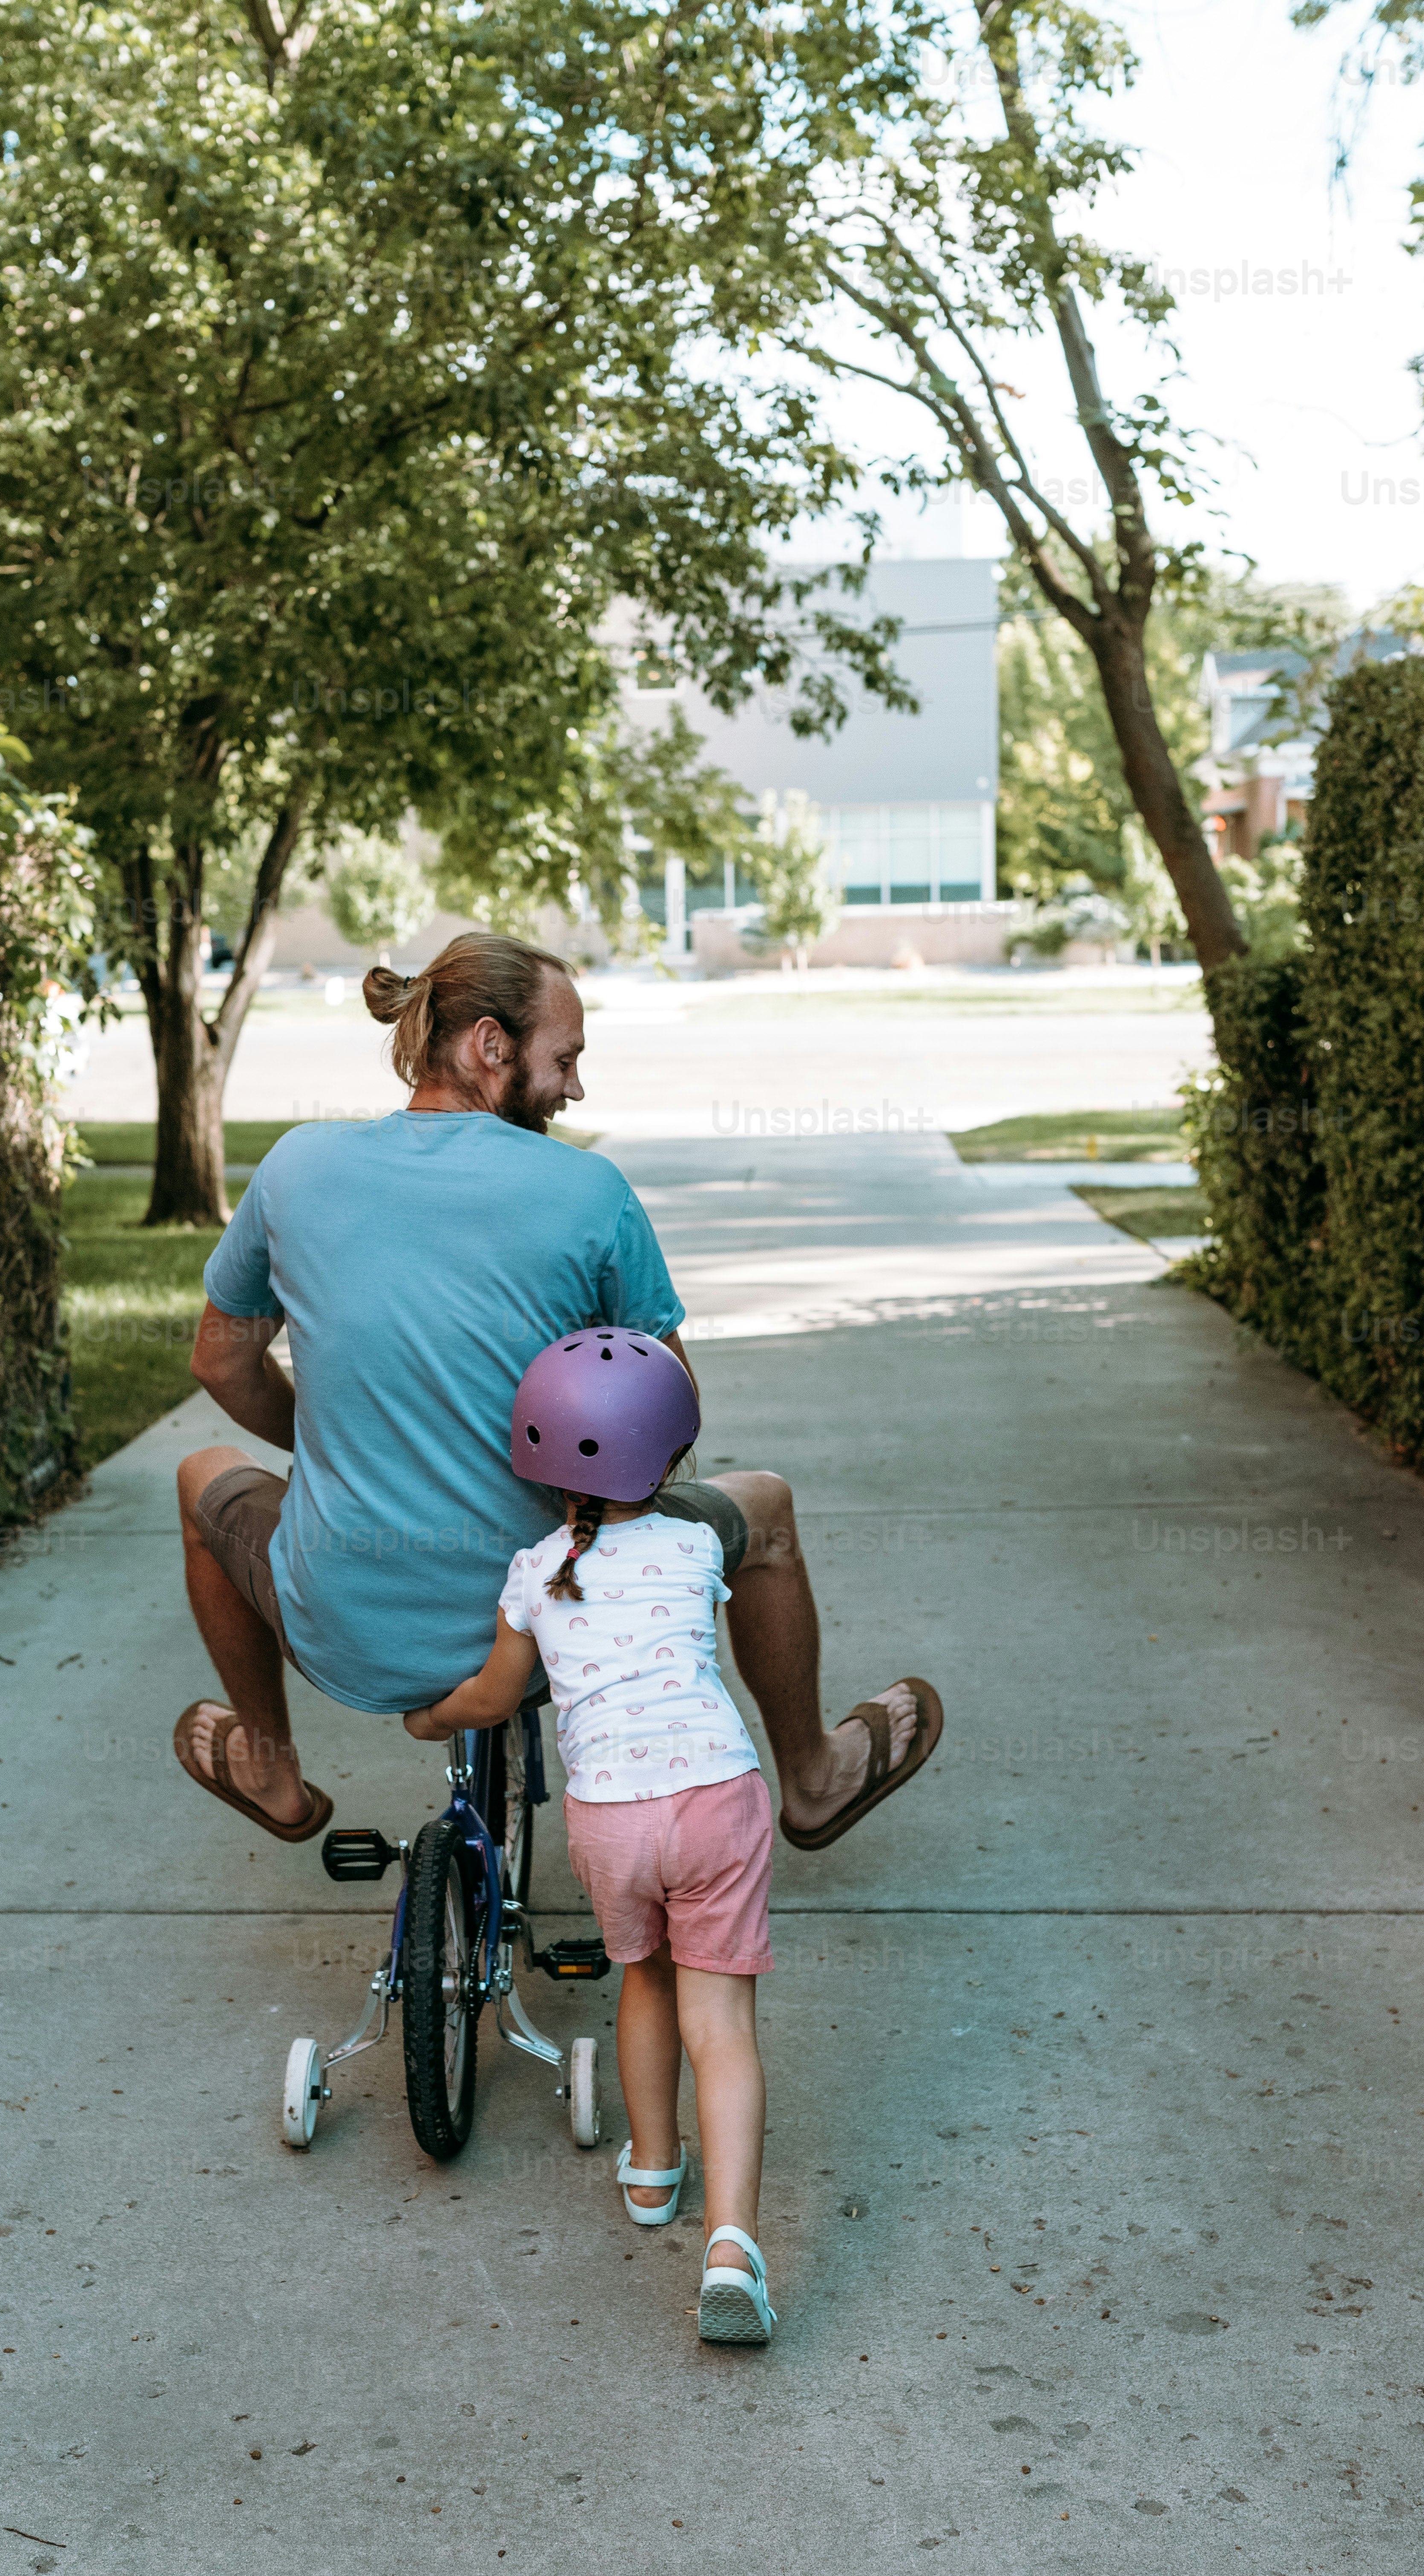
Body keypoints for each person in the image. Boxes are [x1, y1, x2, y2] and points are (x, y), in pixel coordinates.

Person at [174, 929, 940, 1851]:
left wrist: (348, 1445)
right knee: (763, 1511)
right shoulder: (589, 1192)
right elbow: (666, 1424)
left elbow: (219, 1363)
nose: (575, 1088)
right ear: (489, 1045)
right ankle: (812, 1778)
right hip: (558, 1621)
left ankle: (269, 1765)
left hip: (344, 1625)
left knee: (201, 1477)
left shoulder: (295, 1167)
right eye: (564, 1059)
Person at [408, 1327, 894, 2343]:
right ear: (672, 1458)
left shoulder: (532, 1572)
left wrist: (431, 1718)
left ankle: (649, 2172)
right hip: (714, 1796)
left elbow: (497, 1696)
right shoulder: (695, 1544)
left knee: (643, 1975)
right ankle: (731, 2249)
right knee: (722, 2026)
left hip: (608, 1817)